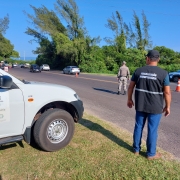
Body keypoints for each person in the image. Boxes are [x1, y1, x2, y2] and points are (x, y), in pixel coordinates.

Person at [127, 50, 171, 160]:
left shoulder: (138, 71)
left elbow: (130, 87)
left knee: (138, 126)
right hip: (155, 107)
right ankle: (151, 154)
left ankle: (136, 150)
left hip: (140, 105)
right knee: (152, 130)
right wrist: (167, 106)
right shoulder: (164, 73)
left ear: (147, 58)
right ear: (158, 59)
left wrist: (129, 99)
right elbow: (167, 92)